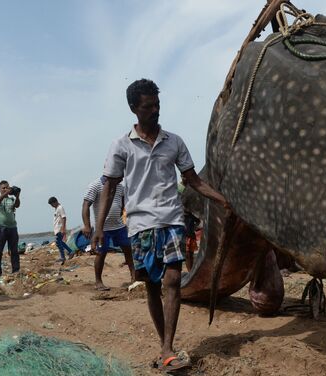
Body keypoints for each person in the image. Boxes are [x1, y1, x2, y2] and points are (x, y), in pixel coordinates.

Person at [92, 79, 230, 372]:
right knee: (152, 287)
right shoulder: (121, 145)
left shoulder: (174, 142)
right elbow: (109, 186)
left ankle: (168, 347)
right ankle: (163, 344)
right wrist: (99, 226)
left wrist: (222, 200)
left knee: (171, 281)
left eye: (157, 105)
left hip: (171, 220)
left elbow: (193, 180)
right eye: (148, 107)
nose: (155, 111)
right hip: (140, 225)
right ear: (134, 109)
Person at [82, 176, 135, 290]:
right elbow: (86, 205)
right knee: (101, 253)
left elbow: (123, 205)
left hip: (119, 226)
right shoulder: (95, 185)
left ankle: (134, 277)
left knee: (128, 250)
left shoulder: (120, 187)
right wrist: (87, 226)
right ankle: (98, 281)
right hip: (103, 228)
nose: (122, 177)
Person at [0, 180, 20, 276]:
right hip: (1, 227)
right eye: (3, 188)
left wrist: (17, 196)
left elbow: (17, 205)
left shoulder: (11, 199)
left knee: (14, 251)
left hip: (12, 227)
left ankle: (16, 270)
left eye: (7, 187)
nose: (5, 189)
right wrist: (6, 193)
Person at [47, 197, 72, 263]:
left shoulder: (60, 208)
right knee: (60, 242)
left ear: (55, 202)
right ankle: (70, 252)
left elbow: (64, 218)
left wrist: (63, 229)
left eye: (52, 204)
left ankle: (63, 257)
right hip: (57, 229)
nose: (52, 206)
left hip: (60, 229)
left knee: (58, 243)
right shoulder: (56, 209)